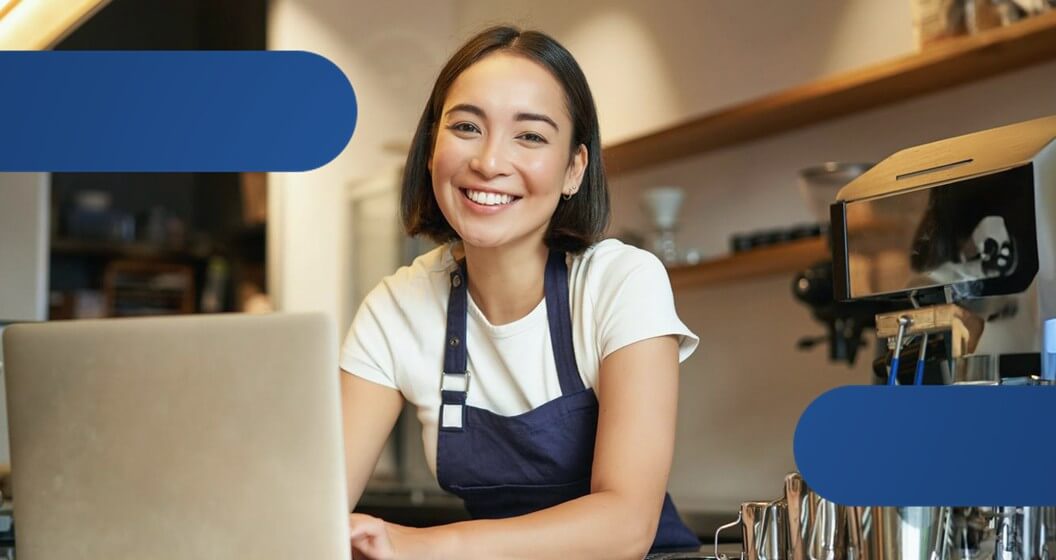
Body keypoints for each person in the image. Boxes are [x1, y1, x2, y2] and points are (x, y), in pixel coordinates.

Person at [341, 25, 701, 560]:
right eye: (466, 126)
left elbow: (626, 524)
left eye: (530, 136)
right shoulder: (397, 308)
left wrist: (423, 545)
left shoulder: (621, 283)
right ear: (431, 146)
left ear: (574, 169)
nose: (489, 161)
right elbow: (315, 500)